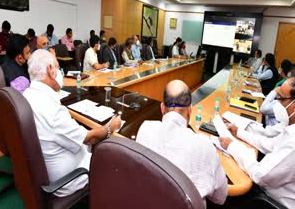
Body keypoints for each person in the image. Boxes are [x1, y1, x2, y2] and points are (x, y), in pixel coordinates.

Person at [23, 49, 121, 197]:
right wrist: (110, 128)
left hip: (46, 166)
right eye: (57, 67)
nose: (60, 72)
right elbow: (90, 138)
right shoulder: (53, 110)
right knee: (115, 159)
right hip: (70, 178)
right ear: (50, 70)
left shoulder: (27, 94)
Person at [136, 80, 227, 205]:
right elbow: (220, 198)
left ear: (162, 108)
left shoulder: (145, 128)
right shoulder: (205, 146)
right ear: (190, 110)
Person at [219, 77, 295, 208]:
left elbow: (260, 175)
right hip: (267, 191)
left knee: (223, 192)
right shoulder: (290, 128)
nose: (276, 103)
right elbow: (269, 144)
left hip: (269, 202)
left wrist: (233, 146)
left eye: (281, 98)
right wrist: (239, 133)